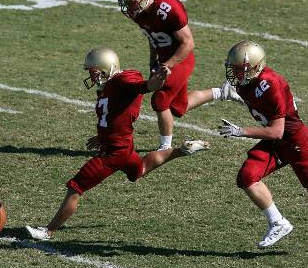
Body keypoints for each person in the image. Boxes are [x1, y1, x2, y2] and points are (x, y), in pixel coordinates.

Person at [26, 47, 209, 240]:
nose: (91, 75)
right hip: (123, 146)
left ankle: (48, 231)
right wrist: (102, 136)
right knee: (140, 169)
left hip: (113, 153)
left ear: (106, 68)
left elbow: (146, 86)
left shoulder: (123, 80)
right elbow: (115, 114)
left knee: (76, 187)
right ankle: (182, 150)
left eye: (93, 71)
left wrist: (159, 79)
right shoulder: (110, 86)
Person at [218, 40, 308, 258]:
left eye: (240, 68)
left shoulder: (271, 84)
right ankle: (278, 222)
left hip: (297, 143)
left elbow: (277, 131)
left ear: (256, 67)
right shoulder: (245, 82)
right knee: (247, 176)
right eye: (234, 67)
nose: (236, 72)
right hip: (279, 143)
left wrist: (241, 131)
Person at [117, 0, 241, 151]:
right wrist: (153, 61)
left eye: (132, 3)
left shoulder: (167, 8)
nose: (129, 8)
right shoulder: (135, 12)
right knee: (178, 108)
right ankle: (223, 92)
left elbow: (188, 43)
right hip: (164, 58)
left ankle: (165, 147)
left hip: (181, 58)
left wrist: (167, 64)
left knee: (160, 101)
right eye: (127, 3)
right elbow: (152, 37)